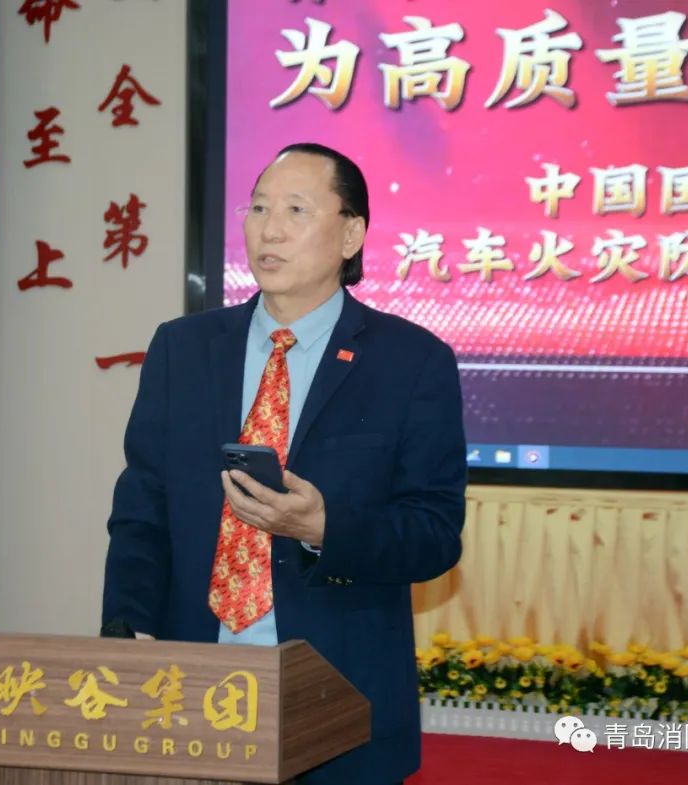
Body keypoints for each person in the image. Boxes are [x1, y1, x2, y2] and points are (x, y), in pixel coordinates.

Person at [102, 142, 467, 785]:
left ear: (351, 234)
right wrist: (127, 626)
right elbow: (142, 506)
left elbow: (433, 533)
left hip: (334, 691)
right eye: (259, 208)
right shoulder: (183, 349)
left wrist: (324, 528)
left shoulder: (411, 362)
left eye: (297, 210)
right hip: (189, 680)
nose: (269, 230)